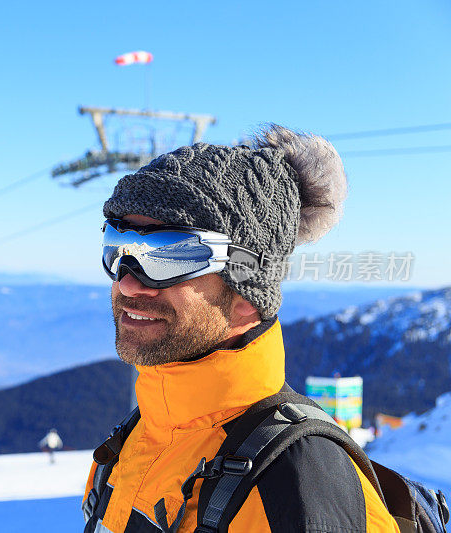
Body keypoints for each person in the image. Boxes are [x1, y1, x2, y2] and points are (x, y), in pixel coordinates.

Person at [82, 126, 400, 532]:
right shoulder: (139, 436)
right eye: (119, 248)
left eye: (168, 256)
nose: (127, 282)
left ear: (246, 290)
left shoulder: (296, 482)